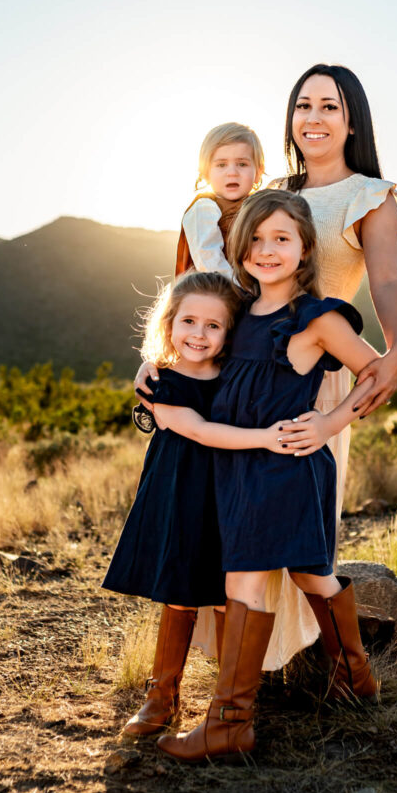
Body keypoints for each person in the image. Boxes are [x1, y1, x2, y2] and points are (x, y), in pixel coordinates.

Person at [138, 64, 397, 669]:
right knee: (221, 526)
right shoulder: (269, 193)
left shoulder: (370, 194)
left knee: (299, 537)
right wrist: (162, 361)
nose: (314, 117)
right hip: (237, 372)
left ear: (351, 119)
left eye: (330, 107)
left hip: (318, 373)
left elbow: (387, 279)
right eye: (303, 105)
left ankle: (331, 669)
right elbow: (203, 285)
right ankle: (237, 685)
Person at [157, 189, 381, 763]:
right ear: (239, 246)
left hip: (287, 469)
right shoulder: (234, 311)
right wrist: (148, 366)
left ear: (305, 248)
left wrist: (329, 423)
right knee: (303, 578)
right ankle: (354, 683)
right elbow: (189, 339)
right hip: (236, 467)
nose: (267, 249)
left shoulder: (315, 319)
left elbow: (375, 374)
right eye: (255, 238)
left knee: (281, 581)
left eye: (282, 238)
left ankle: (236, 722)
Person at [102, 270, 309, 737]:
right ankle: (162, 696)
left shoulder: (236, 375)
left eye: (213, 326)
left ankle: (223, 706)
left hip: (231, 490)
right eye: (189, 322)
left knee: (225, 590)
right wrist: (263, 438)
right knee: (179, 588)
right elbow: (197, 430)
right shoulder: (164, 382)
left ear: (229, 333)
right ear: (169, 324)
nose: (199, 334)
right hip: (179, 489)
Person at [175, 122, 264, 278]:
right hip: (216, 294)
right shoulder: (204, 208)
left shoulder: (260, 207)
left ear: (258, 172)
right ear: (206, 172)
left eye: (242, 164)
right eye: (221, 165)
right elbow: (208, 260)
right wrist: (241, 292)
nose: (232, 172)